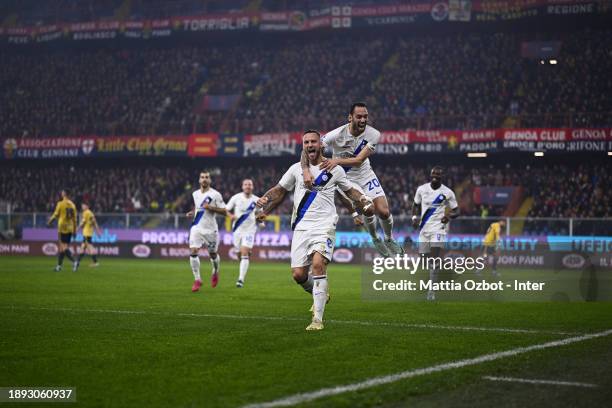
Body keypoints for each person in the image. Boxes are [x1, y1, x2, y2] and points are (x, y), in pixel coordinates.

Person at [256, 130, 373, 331]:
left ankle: (317, 320)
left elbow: (348, 191)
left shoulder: (333, 169)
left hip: (324, 225)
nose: (310, 145)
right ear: (304, 146)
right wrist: (265, 200)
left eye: (313, 142)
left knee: (318, 265)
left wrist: (361, 198)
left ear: (320, 145)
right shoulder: (296, 169)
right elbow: (280, 189)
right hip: (301, 226)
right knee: (298, 275)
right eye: (306, 142)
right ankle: (321, 294)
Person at [300, 102, 402, 257]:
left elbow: (359, 160)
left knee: (384, 212)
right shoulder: (336, 135)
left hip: (365, 174)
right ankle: (375, 238)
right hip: (345, 178)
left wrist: (336, 161)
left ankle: (388, 238)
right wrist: (306, 170)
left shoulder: (373, 134)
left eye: (365, 117)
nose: (363, 120)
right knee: (368, 208)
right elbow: (308, 149)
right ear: (350, 118)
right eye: (359, 116)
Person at [412, 166, 460, 300]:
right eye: (433, 174)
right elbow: (415, 205)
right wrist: (414, 218)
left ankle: (431, 291)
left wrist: (448, 216)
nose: (435, 176)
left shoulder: (447, 192)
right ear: (430, 175)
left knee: (434, 257)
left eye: (438, 174)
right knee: (423, 257)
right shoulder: (421, 189)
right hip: (424, 229)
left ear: (441, 176)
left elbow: (456, 210)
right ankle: (439, 272)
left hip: (438, 228)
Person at [186, 171, 226, 292]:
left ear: (210, 180)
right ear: (199, 180)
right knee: (193, 251)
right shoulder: (195, 194)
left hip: (210, 230)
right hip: (196, 227)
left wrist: (211, 208)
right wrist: (192, 213)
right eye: (202, 177)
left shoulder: (216, 195)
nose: (204, 179)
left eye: (207, 177)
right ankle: (197, 279)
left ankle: (215, 271)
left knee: (213, 254)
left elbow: (224, 211)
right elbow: (199, 207)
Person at [226, 179, 263, 288]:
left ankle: (240, 279)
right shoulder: (236, 197)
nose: (248, 186)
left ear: (252, 187)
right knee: (239, 253)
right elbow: (226, 209)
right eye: (246, 184)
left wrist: (261, 221)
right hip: (237, 229)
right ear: (242, 187)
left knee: (244, 252)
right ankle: (243, 258)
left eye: (250, 184)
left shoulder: (257, 200)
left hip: (250, 230)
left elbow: (260, 213)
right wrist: (230, 216)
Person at [47, 189, 78, 272]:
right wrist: (75, 231)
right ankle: (59, 266)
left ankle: (74, 262)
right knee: (62, 248)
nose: (61, 193)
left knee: (63, 247)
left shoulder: (60, 204)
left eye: (62, 192)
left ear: (64, 194)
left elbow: (55, 214)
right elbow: (75, 220)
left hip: (62, 228)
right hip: (70, 228)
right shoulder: (73, 205)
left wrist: (50, 221)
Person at [75, 203, 101, 270]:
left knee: (90, 247)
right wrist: (98, 231)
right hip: (88, 233)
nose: (82, 207)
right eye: (82, 206)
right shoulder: (90, 213)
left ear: (87, 206)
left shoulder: (86, 212)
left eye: (83, 205)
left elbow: (82, 222)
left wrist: (77, 229)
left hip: (86, 233)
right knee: (83, 247)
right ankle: (77, 262)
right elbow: (94, 222)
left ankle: (95, 262)